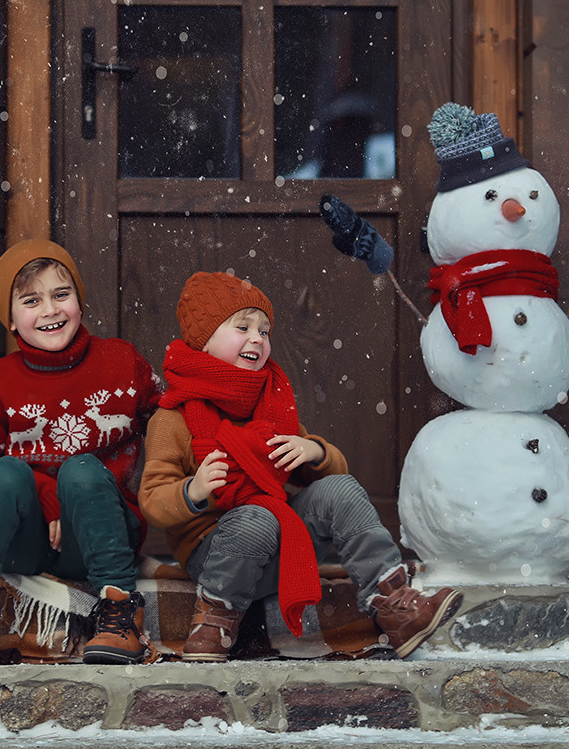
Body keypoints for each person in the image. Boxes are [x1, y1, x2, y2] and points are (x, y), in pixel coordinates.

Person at [139, 270, 463, 662]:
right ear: (202, 341)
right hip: (216, 557)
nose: (257, 338)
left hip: (278, 548)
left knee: (339, 490)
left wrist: (313, 451)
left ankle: (394, 603)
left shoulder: (270, 401)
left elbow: (335, 475)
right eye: (242, 327)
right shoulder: (174, 417)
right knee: (256, 516)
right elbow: (154, 501)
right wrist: (193, 490)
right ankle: (214, 620)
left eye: (264, 330)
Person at [0, 239, 160, 666]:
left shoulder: (122, 362)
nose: (50, 310)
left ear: (79, 303)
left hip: (101, 535)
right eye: (31, 300)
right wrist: (47, 494)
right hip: (26, 542)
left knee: (83, 470)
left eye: (61, 295)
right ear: (10, 319)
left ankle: (119, 610)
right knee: (6, 471)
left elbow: (170, 419)